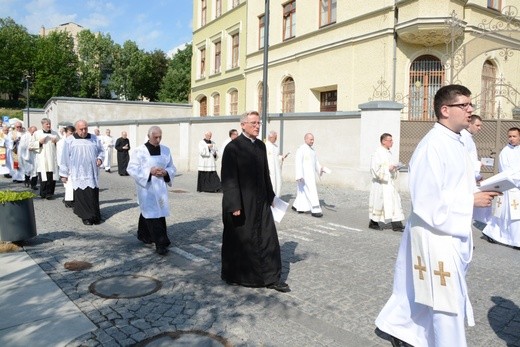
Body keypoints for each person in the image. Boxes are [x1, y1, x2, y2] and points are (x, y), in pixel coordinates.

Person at [375, 84, 500, 347]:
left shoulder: (457, 141)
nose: (470, 110)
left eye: (470, 105)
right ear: (445, 110)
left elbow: (453, 186)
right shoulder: (432, 145)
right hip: (435, 236)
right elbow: (426, 201)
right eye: (463, 105)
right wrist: (470, 201)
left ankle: (404, 331)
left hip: (450, 233)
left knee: (429, 295)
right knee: (446, 302)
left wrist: (480, 193)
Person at [221, 110, 290, 293]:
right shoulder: (232, 148)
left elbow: (265, 173)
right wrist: (234, 204)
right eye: (253, 123)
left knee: (268, 238)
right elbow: (228, 178)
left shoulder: (260, 145)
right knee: (240, 239)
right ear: (243, 125)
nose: (257, 126)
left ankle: (271, 277)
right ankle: (235, 275)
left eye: (259, 123)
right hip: (241, 203)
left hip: (260, 201)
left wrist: (271, 196)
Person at [127, 126, 176, 255]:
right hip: (146, 187)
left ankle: (144, 235)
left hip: (160, 187)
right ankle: (161, 243)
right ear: (149, 136)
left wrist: (166, 172)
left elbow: (172, 167)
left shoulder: (166, 150)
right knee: (152, 212)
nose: (158, 139)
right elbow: (131, 168)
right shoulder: (139, 151)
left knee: (156, 211)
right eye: (155, 137)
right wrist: (149, 172)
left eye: (160, 137)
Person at [59, 120, 104, 225]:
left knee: (92, 194)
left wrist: (100, 159)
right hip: (78, 173)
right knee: (82, 195)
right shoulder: (70, 140)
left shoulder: (94, 138)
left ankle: (95, 215)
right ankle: (86, 216)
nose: (84, 131)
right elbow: (65, 158)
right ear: (76, 129)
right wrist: (64, 174)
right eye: (81, 129)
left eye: (86, 128)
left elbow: (101, 151)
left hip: (91, 172)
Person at [482, 127, 520, 247]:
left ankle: (514, 239)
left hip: (517, 187)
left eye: (514, 136)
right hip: (510, 186)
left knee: (514, 215)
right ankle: (493, 234)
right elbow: (505, 170)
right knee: (506, 214)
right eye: (510, 136)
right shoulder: (505, 152)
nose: (512, 139)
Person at [368, 133, 405, 231]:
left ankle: (397, 225)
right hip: (380, 184)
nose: (392, 142)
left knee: (395, 202)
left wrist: (394, 168)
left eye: (392, 140)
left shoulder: (388, 152)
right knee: (379, 203)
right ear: (384, 141)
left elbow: (389, 166)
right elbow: (374, 168)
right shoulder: (377, 153)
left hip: (389, 183)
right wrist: (387, 168)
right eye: (390, 140)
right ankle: (373, 223)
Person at [292, 133, 324, 217]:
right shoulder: (301, 149)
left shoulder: (313, 150)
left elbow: (316, 162)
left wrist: (320, 168)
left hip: (311, 176)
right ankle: (315, 209)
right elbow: (298, 162)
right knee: (311, 191)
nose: (312, 141)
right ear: (305, 139)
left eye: (313, 139)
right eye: (311, 139)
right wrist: (299, 175)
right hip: (303, 176)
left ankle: (297, 206)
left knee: (302, 192)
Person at [33, 118, 60, 200]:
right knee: (43, 176)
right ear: (42, 124)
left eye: (49, 124)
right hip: (42, 157)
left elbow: (61, 145)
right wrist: (39, 143)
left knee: (51, 176)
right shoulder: (37, 133)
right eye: (47, 124)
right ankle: (43, 193)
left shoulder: (55, 133)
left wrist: (56, 142)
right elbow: (31, 145)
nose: (48, 125)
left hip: (52, 157)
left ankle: (50, 193)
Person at [57, 125, 76, 208]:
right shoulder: (61, 142)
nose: (72, 135)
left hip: (73, 166)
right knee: (67, 184)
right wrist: (62, 169)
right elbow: (61, 156)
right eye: (70, 133)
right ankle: (68, 201)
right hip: (65, 165)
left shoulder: (73, 141)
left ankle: (70, 200)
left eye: (73, 133)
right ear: (65, 132)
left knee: (71, 184)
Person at [266, 130, 286, 196]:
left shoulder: (276, 147)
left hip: (276, 170)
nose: (276, 139)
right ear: (270, 137)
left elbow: (277, 157)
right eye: (275, 138)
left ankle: (276, 198)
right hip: (269, 170)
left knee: (278, 183)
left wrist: (281, 157)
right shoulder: (265, 146)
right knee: (271, 184)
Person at [18, 125, 38, 190]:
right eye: (33, 131)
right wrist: (28, 148)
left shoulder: (37, 136)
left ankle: (33, 184)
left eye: (35, 131)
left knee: (36, 169)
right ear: (29, 130)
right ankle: (27, 180)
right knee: (28, 169)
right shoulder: (25, 136)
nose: (34, 133)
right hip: (27, 154)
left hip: (35, 154)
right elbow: (22, 146)